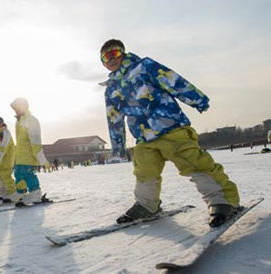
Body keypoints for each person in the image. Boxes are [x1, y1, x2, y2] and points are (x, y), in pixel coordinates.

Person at [99, 39, 239, 227]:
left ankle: (223, 201)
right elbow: (113, 118)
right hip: (143, 137)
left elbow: (172, 80)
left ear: (123, 53)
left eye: (114, 54)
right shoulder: (111, 89)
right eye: (105, 57)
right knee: (144, 170)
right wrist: (118, 146)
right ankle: (146, 205)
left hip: (169, 126)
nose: (111, 60)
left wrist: (197, 99)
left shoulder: (144, 66)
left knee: (192, 162)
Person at [9, 97, 49, 204]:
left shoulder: (31, 120)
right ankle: (21, 192)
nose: (15, 111)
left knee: (28, 174)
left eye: (17, 108)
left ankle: (35, 192)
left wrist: (41, 159)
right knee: (18, 174)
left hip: (29, 155)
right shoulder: (19, 121)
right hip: (20, 155)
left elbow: (36, 141)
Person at [0, 117, 16, 202]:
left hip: (7, 156)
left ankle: (12, 192)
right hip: (0, 156)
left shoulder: (5, 132)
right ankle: (2, 190)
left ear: (1, 123)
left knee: (5, 173)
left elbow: (4, 145)